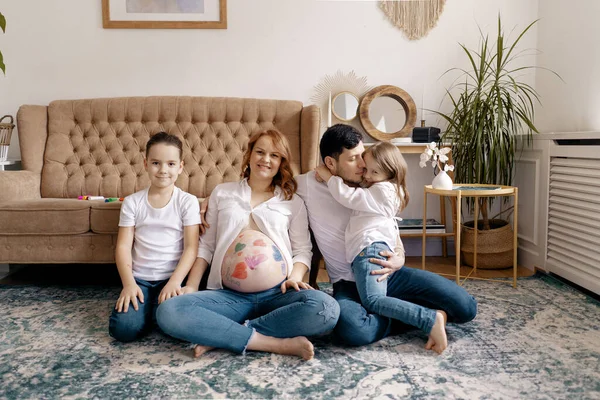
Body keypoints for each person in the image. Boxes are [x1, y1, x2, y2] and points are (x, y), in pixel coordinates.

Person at [156, 129, 340, 360]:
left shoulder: (293, 201)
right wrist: (191, 286)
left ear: (281, 162)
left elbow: (303, 250)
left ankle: (224, 335)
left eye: (274, 155)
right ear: (249, 155)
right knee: (169, 311)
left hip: (278, 294)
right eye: (260, 152)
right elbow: (206, 247)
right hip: (228, 296)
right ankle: (270, 342)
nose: (265, 159)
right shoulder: (223, 193)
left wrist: (295, 277)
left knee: (327, 309)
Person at [296, 124, 477, 352]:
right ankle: (415, 315)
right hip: (347, 282)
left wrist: (399, 256)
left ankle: (411, 313)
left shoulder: (373, 181)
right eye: (353, 159)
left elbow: (386, 226)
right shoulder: (308, 185)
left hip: (386, 272)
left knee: (465, 307)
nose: (363, 164)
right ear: (330, 163)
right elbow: (270, 188)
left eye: (363, 155)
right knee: (352, 329)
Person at [315, 141, 448, 353]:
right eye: (366, 169)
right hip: (369, 252)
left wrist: (329, 177)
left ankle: (428, 319)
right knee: (369, 307)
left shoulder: (382, 191)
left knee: (374, 301)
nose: (366, 175)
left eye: (374, 172)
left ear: (391, 172)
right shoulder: (386, 187)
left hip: (369, 251)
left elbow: (349, 196)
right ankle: (416, 315)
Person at [109, 132, 200, 342]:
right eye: (156, 163)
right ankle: (147, 310)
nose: (163, 170)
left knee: (179, 327)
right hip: (139, 279)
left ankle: (154, 311)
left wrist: (175, 282)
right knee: (123, 330)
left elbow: (191, 248)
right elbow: (123, 247)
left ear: (180, 166)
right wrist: (129, 284)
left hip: (172, 278)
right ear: (146, 164)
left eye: (170, 164)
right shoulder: (133, 202)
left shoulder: (187, 202)